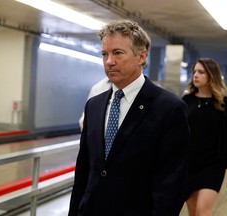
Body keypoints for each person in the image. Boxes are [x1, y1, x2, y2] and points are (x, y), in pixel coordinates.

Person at [68, 19, 190, 216]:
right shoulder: (94, 105)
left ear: (141, 56)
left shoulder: (169, 109)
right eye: (104, 54)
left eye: (118, 53)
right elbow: (84, 170)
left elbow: (172, 182)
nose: (109, 61)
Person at [182, 58, 227, 216]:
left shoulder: (224, 104)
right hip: (189, 164)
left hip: (213, 166)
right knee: (193, 212)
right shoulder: (186, 101)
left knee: (203, 211)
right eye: (194, 71)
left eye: (201, 72)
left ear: (211, 75)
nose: (196, 75)